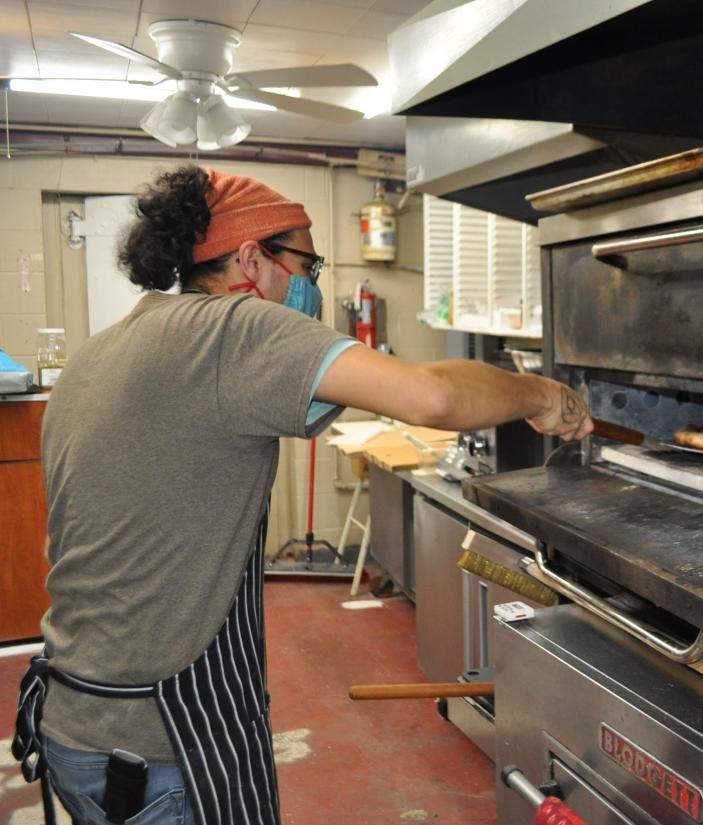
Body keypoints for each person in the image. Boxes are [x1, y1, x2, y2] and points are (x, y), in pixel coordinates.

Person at [12, 165, 592, 825]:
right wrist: (546, 395)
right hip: (164, 746)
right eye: (308, 266)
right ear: (252, 259)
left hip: (70, 718)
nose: (313, 289)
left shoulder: (101, 350)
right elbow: (434, 394)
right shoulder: (235, 331)